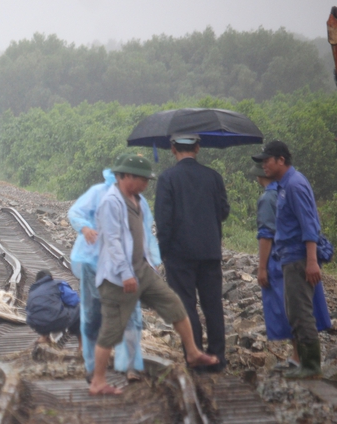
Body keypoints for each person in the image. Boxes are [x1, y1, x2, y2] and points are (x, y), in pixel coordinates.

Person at [91, 154, 218, 395]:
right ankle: (98, 381)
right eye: (143, 179)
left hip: (142, 270)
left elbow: (141, 236)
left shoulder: (136, 199)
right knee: (111, 330)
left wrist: (151, 262)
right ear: (128, 177)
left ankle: (192, 353)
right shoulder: (111, 202)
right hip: (118, 277)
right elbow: (113, 241)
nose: (146, 184)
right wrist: (126, 273)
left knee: (174, 304)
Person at [155, 134, 230, 372]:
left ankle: (194, 356)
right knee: (213, 305)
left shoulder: (167, 178)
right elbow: (224, 211)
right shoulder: (213, 177)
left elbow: (163, 221)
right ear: (197, 148)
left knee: (186, 305)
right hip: (210, 251)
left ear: (172, 149)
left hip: (179, 254)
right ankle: (217, 357)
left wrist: (162, 252)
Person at [68, 164, 149, 382]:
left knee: (130, 316)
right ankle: (93, 366)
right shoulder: (97, 193)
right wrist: (85, 227)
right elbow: (76, 212)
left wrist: (149, 259)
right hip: (93, 263)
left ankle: (131, 366)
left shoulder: (138, 200)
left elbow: (144, 232)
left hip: (126, 266)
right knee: (93, 316)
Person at [253, 141, 327, 379]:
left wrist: (312, 260)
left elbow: (309, 224)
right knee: (294, 312)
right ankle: (303, 362)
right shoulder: (285, 186)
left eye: (267, 160)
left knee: (301, 311)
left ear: (281, 160)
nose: (264, 165)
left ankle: (311, 366)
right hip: (289, 257)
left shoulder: (294, 185)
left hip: (298, 258)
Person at [26, 270, 80, 343]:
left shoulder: (33, 291)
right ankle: (82, 346)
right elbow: (74, 300)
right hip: (54, 321)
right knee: (80, 311)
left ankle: (44, 336)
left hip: (36, 325)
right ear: (51, 278)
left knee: (44, 313)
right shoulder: (57, 284)